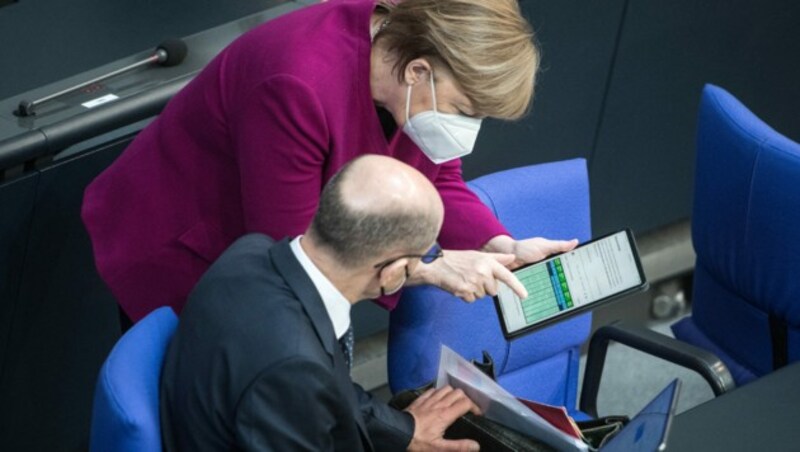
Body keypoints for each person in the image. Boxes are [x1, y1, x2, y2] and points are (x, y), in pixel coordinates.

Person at [82, 0, 577, 322]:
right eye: (464, 111)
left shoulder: (407, 75)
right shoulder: (297, 82)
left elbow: (439, 176)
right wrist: (432, 265)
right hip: (185, 244)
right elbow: (297, 253)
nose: (467, 129)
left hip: (270, 258)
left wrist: (499, 244)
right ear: (418, 70)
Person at [160, 155, 482, 451]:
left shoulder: (251, 252)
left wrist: (403, 429)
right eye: (425, 255)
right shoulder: (293, 367)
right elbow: (303, 383)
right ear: (394, 272)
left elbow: (324, 390)